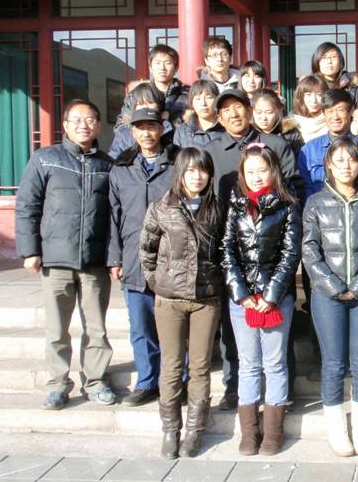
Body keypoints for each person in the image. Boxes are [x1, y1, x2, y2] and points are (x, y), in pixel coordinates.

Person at [203, 88, 302, 411]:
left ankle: (281, 395)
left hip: (273, 254)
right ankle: (234, 388)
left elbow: (293, 189)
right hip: (232, 257)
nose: (234, 114)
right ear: (219, 118)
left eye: (239, 107)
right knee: (235, 337)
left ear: (250, 110)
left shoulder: (276, 145)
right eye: (226, 110)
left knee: (277, 346)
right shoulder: (212, 150)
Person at [15, 99, 116, 411]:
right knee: (57, 328)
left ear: (98, 125)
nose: (83, 125)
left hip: (94, 260)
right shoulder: (46, 159)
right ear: (65, 125)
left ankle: (96, 381)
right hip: (56, 258)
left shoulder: (107, 165)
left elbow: (115, 215)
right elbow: (27, 205)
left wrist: (114, 258)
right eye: (77, 119)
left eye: (90, 119)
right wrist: (30, 250)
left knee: (96, 328)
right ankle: (58, 383)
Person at [302, 136, 358, 457]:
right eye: (339, 160)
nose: (346, 166)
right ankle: (338, 431)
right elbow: (309, 250)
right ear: (328, 164)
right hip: (327, 295)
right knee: (333, 363)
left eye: (352, 159)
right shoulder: (316, 203)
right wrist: (334, 286)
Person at [140, 147, 224, 459]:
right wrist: (158, 282)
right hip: (169, 300)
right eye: (190, 170)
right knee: (172, 365)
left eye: (202, 170)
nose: (196, 176)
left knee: (200, 366)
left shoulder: (217, 209)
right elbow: (147, 250)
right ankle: (170, 430)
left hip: (206, 299)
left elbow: (224, 251)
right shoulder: (161, 208)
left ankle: (194, 431)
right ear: (180, 173)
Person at [222, 144, 302, 456]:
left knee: (275, 362)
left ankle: (273, 431)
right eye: (250, 171)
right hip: (242, 299)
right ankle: (249, 431)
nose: (257, 177)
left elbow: (290, 254)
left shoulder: (287, 205)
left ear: (274, 171)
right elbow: (227, 249)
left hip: (276, 298)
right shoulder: (236, 203)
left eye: (262, 170)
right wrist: (241, 294)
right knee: (249, 363)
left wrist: (271, 295)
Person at [108, 108, 178, 407]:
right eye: (140, 127)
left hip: (172, 259)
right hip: (134, 257)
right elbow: (113, 216)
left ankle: (177, 382)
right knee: (141, 326)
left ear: (162, 129)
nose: (146, 133)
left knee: (175, 326)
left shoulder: (177, 163)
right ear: (132, 131)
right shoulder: (121, 167)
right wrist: (114, 258)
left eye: (151, 126)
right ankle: (147, 381)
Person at [298, 89, 358, 200]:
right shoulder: (309, 150)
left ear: (351, 111)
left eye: (340, 110)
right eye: (330, 111)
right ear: (323, 113)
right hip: (319, 208)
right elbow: (303, 190)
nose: (335, 117)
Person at [115, 44, 188, 130]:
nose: (162, 68)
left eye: (168, 63)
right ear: (150, 68)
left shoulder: (188, 95)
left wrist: (170, 120)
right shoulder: (136, 95)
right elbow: (121, 127)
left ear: (176, 68)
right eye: (157, 63)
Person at [109, 82, 172, 159]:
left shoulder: (170, 128)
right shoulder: (124, 133)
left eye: (150, 102)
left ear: (159, 106)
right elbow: (114, 158)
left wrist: (165, 124)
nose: (145, 107)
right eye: (140, 104)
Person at [173, 80, 225, 148]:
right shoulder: (182, 132)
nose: (203, 103)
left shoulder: (227, 128)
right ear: (192, 103)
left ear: (217, 100)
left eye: (209, 97)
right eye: (198, 99)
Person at [253, 88, 304, 155]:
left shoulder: (290, 133)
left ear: (278, 111)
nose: (263, 118)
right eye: (259, 112)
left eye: (269, 112)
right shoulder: (249, 134)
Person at [283, 74, 328, 143]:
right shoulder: (289, 126)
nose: (314, 100)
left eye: (319, 95)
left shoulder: (333, 123)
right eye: (308, 95)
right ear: (301, 97)